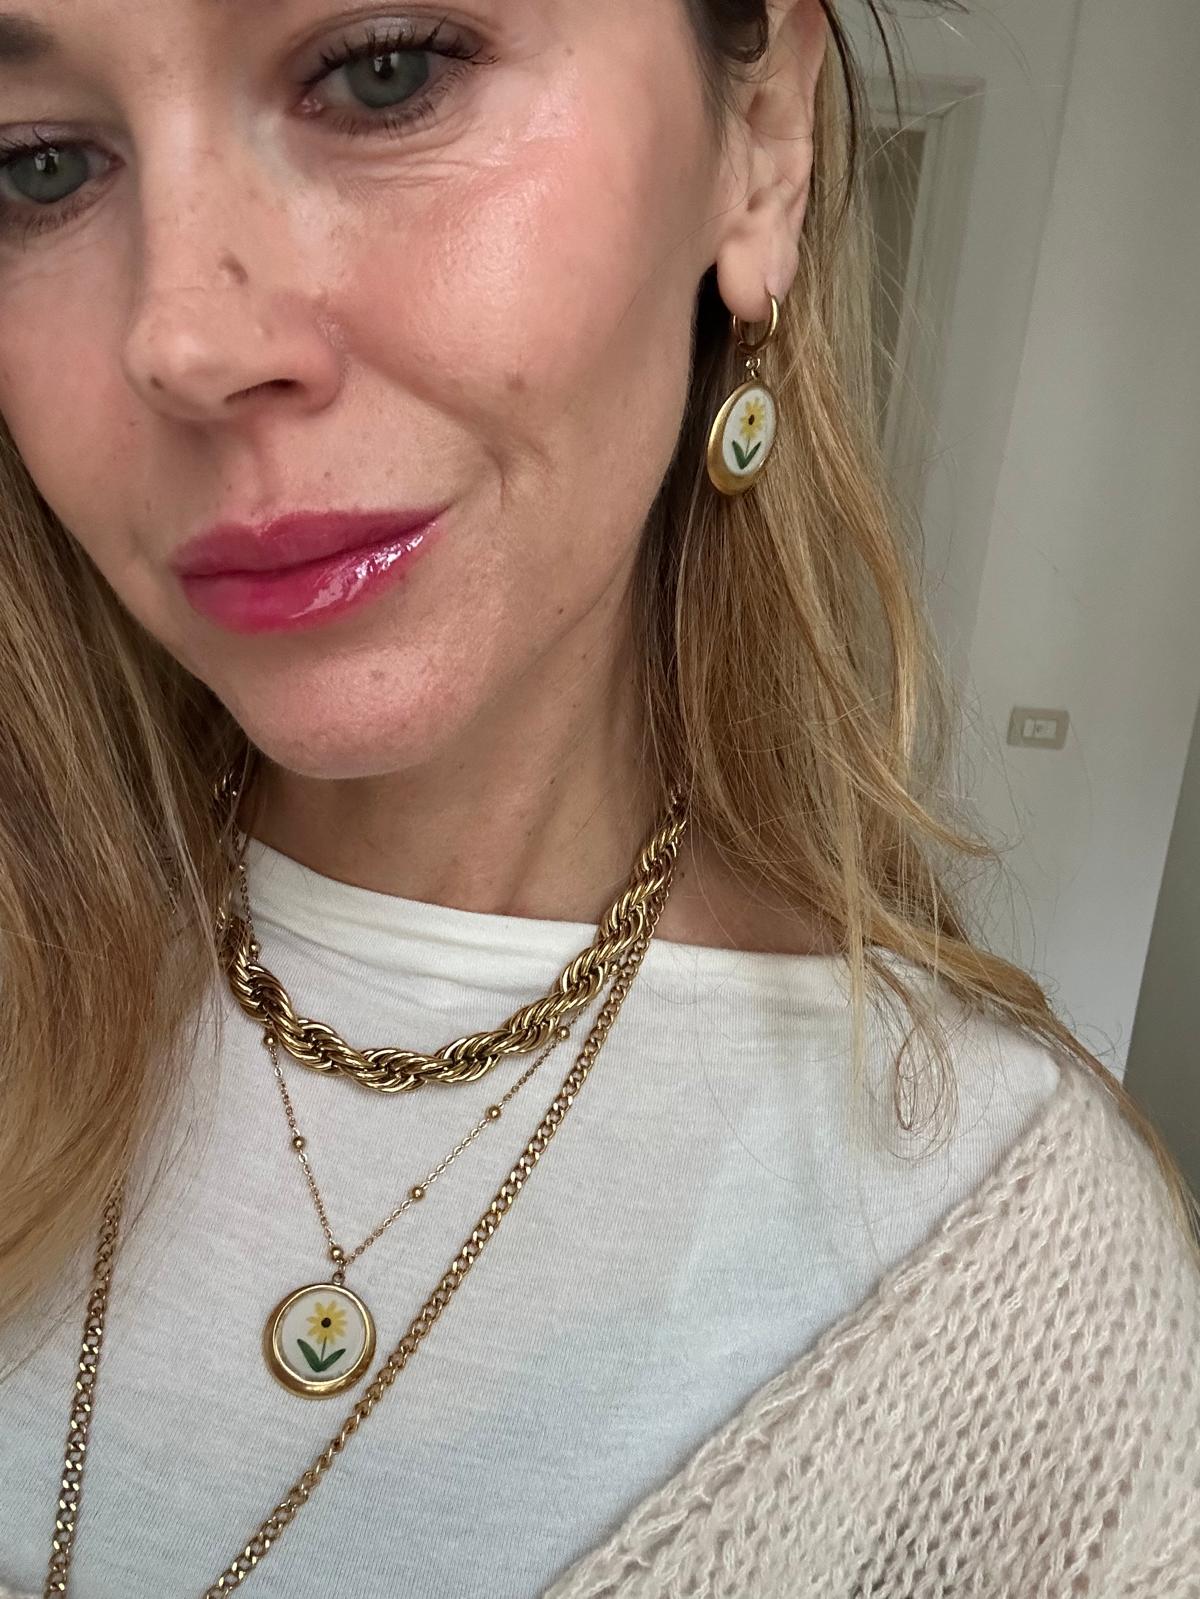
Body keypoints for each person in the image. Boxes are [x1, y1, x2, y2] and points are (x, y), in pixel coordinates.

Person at [0, 0, 1196, 1593]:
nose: (188, 344)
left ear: (759, 144)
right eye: (33, 167)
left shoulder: (1023, 1290)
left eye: (385, 72)